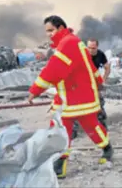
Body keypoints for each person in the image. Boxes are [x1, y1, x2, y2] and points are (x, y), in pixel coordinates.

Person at [27, 15, 113, 179]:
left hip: (75, 96)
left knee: (79, 127)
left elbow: (54, 69)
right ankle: (61, 163)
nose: (48, 34)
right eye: (47, 31)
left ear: (60, 28)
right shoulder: (73, 42)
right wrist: (98, 81)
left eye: (51, 30)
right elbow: (89, 65)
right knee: (72, 127)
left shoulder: (68, 44)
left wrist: (35, 90)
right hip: (74, 95)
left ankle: (105, 149)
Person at [72, 38, 111, 139]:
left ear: (97, 47)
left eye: (93, 48)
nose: (90, 50)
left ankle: (102, 126)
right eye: (88, 47)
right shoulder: (81, 54)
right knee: (76, 106)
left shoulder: (100, 54)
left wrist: (103, 80)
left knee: (99, 104)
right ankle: (73, 130)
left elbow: (107, 67)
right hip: (81, 82)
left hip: (95, 82)